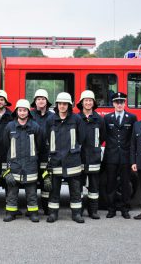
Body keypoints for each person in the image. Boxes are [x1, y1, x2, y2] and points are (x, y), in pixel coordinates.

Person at [45, 92, 85, 223]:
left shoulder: (76, 119)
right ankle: (53, 214)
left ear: (69, 105)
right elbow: (46, 138)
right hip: (56, 160)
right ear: (57, 105)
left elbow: (82, 137)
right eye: (60, 103)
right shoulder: (51, 120)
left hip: (72, 160)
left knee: (75, 189)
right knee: (54, 190)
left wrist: (74, 150)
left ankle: (76, 214)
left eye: (65, 104)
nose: (62, 106)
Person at [2, 99, 42, 223]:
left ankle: (33, 213)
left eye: (25, 110)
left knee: (31, 192)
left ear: (28, 112)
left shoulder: (35, 127)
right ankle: (11, 213)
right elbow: (5, 145)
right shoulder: (10, 127)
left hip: (30, 165)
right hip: (14, 165)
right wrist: (7, 168)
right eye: (20, 110)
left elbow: (39, 145)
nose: (22, 112)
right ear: (16, 111)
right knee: (12, 192)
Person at [103, 92, 137, 219]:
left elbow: (133, 138)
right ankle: (111, 209)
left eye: (121, 102)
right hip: (111, 156)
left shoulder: (132, 118)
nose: (119, 104)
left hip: (126, 156)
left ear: (124, 103)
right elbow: (104, 136)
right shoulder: (107, 118)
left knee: (125, 184)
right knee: (110, 184)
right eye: (117, 102)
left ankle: (125, 209)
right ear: (113, 104)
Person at [77, 90, 106, 219]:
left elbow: (103, 136)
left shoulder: (99, 119)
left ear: (93, 103)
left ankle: (93, 211)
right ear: (81, 103)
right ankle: (79, 210)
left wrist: (94, 147)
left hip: (94, 157)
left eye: (90, 100)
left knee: (94, 186)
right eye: (85, 100)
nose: (88, 103)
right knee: (79, 186)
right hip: (79, 157)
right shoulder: (76, 118)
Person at [30, 89, 54, 215]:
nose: (40, 101)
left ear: (47, 101)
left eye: (43, 99)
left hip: (47, 153)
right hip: (32, 153)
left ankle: (46, 208)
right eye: (38, 99)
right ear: (35, 101)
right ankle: (32, 208)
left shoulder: (52, 116)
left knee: (46, 180)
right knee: (32, 181)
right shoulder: (30, 115)